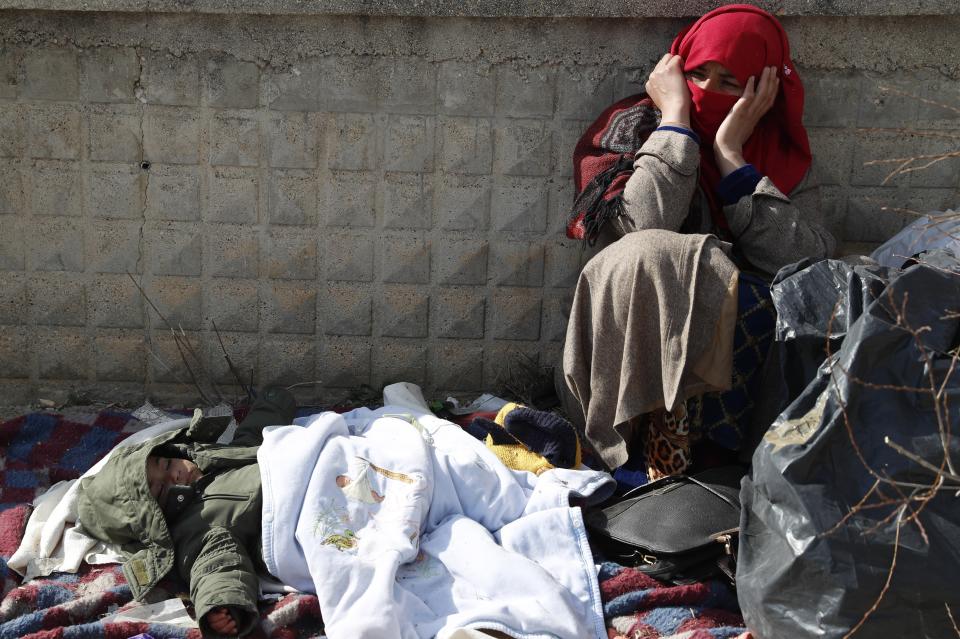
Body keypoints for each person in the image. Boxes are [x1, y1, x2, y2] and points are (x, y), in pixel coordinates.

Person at [562, 4, 836, 481]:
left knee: (723, 274)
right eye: (697, 74)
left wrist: (732, 160)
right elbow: (638, 227)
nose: (707, 91)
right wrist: (674, 124)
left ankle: (714, 468)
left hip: (734, 395)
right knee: (659, 253)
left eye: (729, 82)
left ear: (762, 90)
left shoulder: (780, 154)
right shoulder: (632, 129)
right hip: (628, 369)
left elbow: (809, 269)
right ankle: (643, 458)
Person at [77, 386, 298, 637]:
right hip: (297, 513)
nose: (175, 474)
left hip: (315, 467)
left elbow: (251, 438)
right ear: (156, 517)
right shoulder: (198, 529)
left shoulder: (212, 457)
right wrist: (220, 606)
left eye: (167, 463)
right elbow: (216, 565)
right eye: (162, 488)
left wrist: (273, 401)